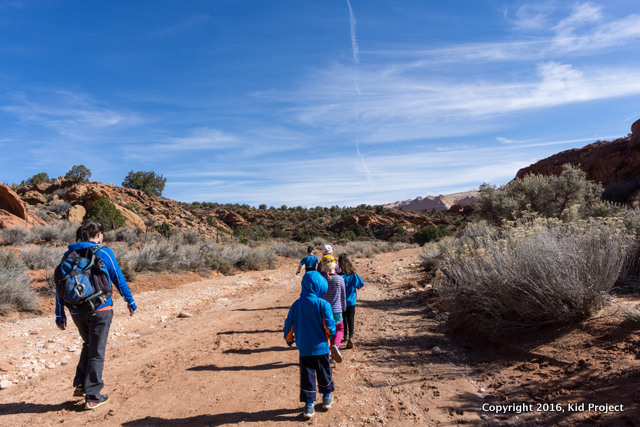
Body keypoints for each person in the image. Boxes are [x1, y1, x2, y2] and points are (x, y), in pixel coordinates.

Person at [55, 219, 137, 410]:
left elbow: (59, 287)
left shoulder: (68, 255)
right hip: (101, 308)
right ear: (99, 235)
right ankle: (93, 396)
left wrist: (60, 315)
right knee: (97, 351)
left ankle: (82, 383)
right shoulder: (104, 252)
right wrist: (130, 301)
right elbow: (118, 277)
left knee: (89, 344)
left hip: (76, 310)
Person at [283, 271, 337, 419]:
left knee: (307, 376)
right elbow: (329, 325)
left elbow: (289, 325)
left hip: (304, 349)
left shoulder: (296, 305)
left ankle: (308, 406)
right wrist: (330, 334)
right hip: (321, 347)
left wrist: (289, 339)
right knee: (324, 371)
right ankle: (326, 398)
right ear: (319, 286)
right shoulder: (323, 304)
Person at [338, 253, 365, 349]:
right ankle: (351, 337)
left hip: (340, 302)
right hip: (351, 301)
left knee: (343, 318)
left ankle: (345, 335)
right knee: (351, 319)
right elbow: (361, 284)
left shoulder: (338, 276)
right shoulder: (353, 275)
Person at [322, 261, 346, 363]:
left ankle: (325, 352)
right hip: (336, 310)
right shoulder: (340, 279)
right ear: (335, 268)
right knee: (339, 329)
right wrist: (343, 308)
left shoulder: (323, 280)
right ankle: (335, 346)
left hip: (324, 311)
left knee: (326, 331)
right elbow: (343, 296)